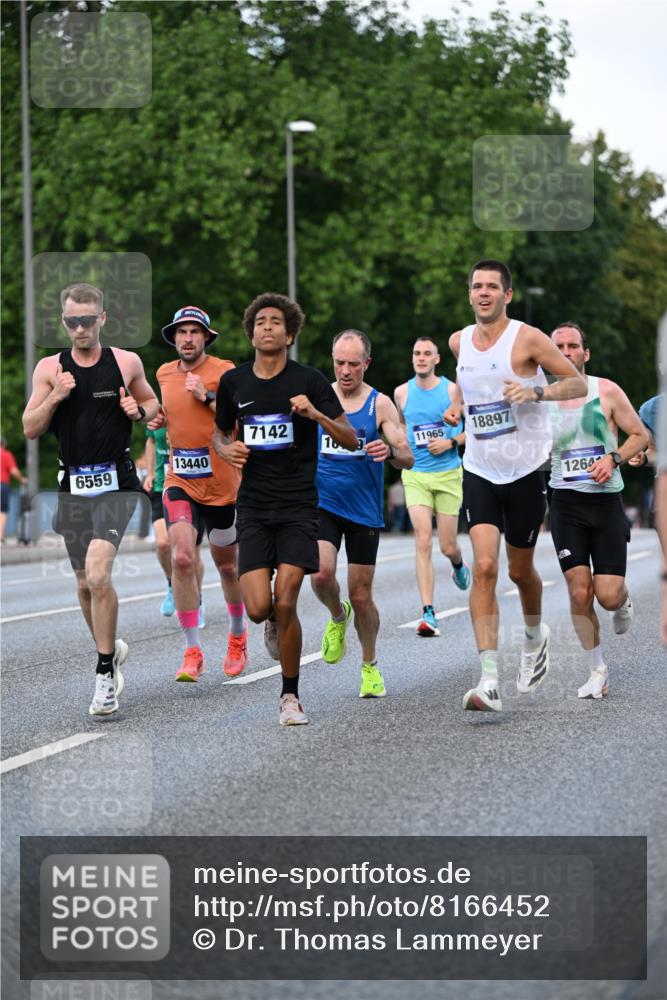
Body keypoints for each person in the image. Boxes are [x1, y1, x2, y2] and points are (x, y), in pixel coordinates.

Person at [445, 260, 587, 713]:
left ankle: (533, 634)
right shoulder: (458, 341)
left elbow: (576, 381)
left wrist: (536, 393)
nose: (483, 293)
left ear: (507, 294)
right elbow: (469, 385)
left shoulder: (527, 339)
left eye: (492, 287)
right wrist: (457, 407)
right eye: (477, 286)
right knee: (484, 566)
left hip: (525, 469)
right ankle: (489, 680)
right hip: (481, 469)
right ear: (469, 294)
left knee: (518, 572)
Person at [212, 293, 357, 726]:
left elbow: (349, 438)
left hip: (297, 505)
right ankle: (272, 619)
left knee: (288, 596)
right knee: (259, 607)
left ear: (289, 334)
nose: (268, 327)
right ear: (252, 332)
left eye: (277, 322)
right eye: (261, 322)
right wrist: (227, 450)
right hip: (254, 506)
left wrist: (316, 414)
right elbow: (218, 434)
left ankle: (290, 696)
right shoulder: (234, 383)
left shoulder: (309, 381)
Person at [22, 282, 159, 716]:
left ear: (102, 319)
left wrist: (140, 412)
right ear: (63, 321)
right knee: (84, 583)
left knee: (99, 574)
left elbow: (153, 405)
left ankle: (103, 677)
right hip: (73, 488)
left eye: (86, 320)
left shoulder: (125, 362)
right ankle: (111, 649)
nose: (78, 328)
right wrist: (57, 396)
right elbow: (29, 426)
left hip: (117, 484)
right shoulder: (49, 368)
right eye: (70, 321)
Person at [310, 329, 414, 698]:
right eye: (339, 362)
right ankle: (337, 617)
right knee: (321, 576)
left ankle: (369, 664)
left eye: (354, 363)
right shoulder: (319, 399)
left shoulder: (380, 404)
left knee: (362, 595)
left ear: (366, 364)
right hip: (322, 504)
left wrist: (389, 451)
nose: (346, 370)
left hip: (363, 511)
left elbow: (408, 456)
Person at [548, 322, 648, 699]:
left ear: (585, 354)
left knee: (606, 595)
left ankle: (622, 598)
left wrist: (614, 457)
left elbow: (639, 435)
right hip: (565, 503)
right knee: (578, 592)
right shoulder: (541, 401)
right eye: (559, 347)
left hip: (605, 502)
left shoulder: (605, 391)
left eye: (573, 346)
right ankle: (597, 670)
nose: (567, 352)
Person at [156, 306, 247, 681]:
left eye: (195, 332)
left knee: (227, 565)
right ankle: (192, 649)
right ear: (174, 338)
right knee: (180, 557)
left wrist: (207, 396)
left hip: (222, 486)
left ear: (206, 338)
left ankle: (238, 635)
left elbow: (242, 420)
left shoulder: (224, 372)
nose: (188, 338)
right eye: (182, 332)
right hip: (180, 479)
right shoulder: (162, 374)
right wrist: (155, 417)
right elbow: (162, 414)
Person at [394, 337, 470, 637]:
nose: (421, 358)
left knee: (446, 545)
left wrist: (451, 441)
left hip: (448, 473)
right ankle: (428, 612)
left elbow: (474, 429)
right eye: (416, 353)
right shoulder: (401, 393)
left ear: (437, 359)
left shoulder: (452, 390)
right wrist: (401, 443)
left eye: (427, 353)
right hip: (416, 475)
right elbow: (399, 425)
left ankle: (459, 563)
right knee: (423, 540)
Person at [144, 422, 205, 625]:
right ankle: (172, 584)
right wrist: (151, 473)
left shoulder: (195, 410)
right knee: (162, 543)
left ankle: (197, 599)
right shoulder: (159, 413)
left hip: (193, 490)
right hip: (163, 486)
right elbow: (151, 441)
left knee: (191, 552)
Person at [0, 437, 27, 543]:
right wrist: (22, 480)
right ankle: (0, 536)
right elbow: (13, 471)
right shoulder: (6, 454)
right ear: (3, 444)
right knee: (2, 511)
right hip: (2, 484)